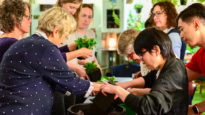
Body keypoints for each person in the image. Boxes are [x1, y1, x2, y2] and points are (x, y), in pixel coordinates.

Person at [0, 7, 102, 115]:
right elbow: (70, 81)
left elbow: (49, 59)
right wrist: (101, 87)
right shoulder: (45, 47)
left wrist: (70, 48)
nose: (62, 41)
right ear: (56, 31)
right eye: (64, 36)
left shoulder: (33, 42)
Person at [101, 28, 188, 114]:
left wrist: (118, 90)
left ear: (156, 50)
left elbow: (149, 106)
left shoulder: (173, 70)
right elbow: (148, 79)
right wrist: (124, 86)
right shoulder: (166, 66)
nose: (142, 61)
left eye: (142, 55)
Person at [177, 3, 205, 115]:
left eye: (182, 29)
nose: (181, 36)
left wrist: (194, 109)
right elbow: (179, 78)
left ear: (196, 25)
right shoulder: (199, 55)